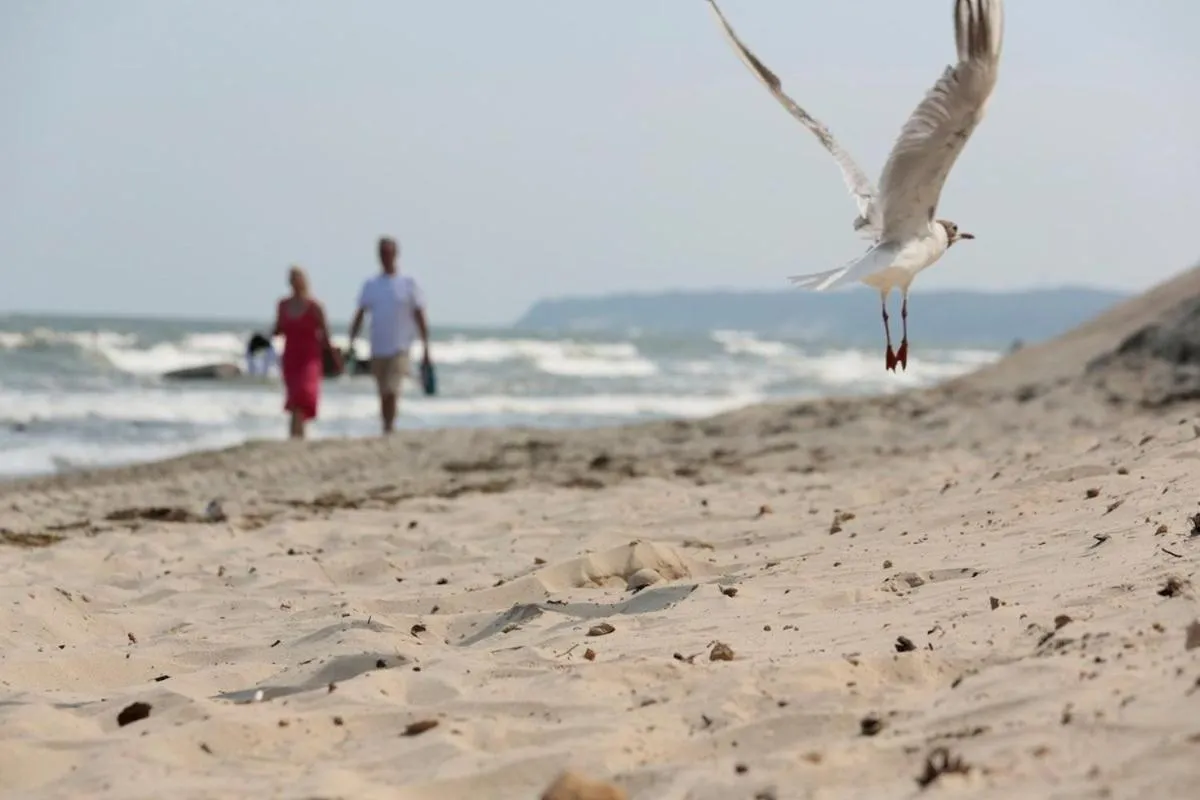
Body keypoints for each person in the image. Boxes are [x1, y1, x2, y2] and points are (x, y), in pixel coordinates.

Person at [348, 236, 431, 434]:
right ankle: (386, 425)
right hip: (378, 346)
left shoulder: (408, 283)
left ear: (396, 254)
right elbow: (361, 313)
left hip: (400, 347)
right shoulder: (371, 284)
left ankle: (390, 425)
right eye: (382, 254)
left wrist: (425, 345)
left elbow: (419, 314)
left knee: (392, 389)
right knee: (383, 391)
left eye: (388, 253)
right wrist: (351, 339)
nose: (386, 257)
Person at [274, 265, 340, 439]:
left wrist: (334, 358)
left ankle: (298, 434)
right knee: (294, 397)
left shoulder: (314, 306)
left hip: (310, 357)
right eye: (292, 279)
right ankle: (296, 435)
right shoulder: (283, 305)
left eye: (297, 278)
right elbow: (278, 329)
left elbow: (325, 335)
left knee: (304, 393)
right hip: (291, 357)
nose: (295, 283)